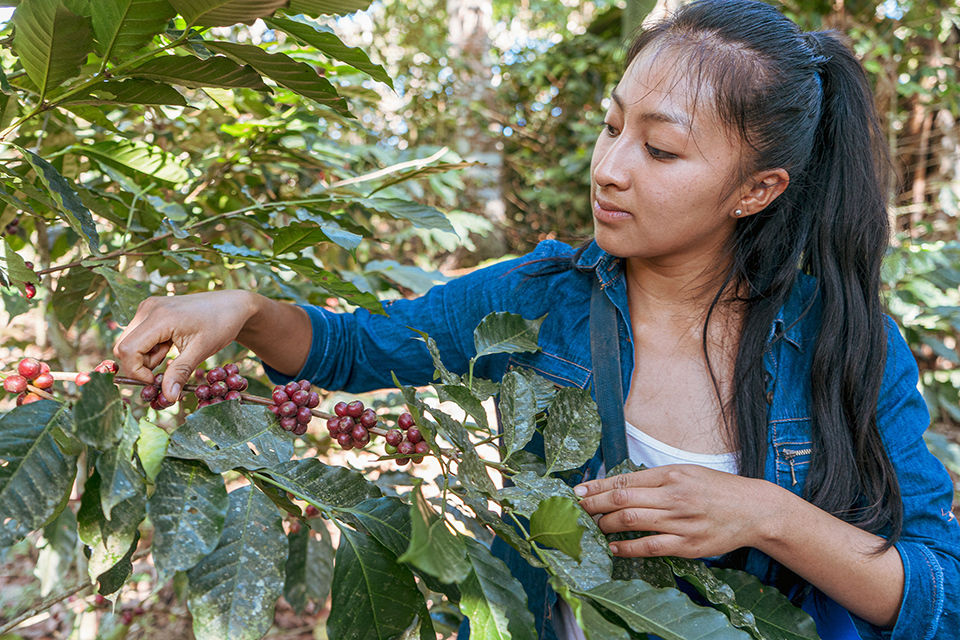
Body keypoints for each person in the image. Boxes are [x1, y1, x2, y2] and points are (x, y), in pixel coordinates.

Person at [113, 1, 960, 638]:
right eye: (611, 126)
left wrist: (764, 513)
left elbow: (937, 591)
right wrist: (248, 308)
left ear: (757, 190)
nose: (610, 169)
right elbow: (351, 349)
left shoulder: (847, 346)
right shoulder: (538, 299)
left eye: (659, 151)